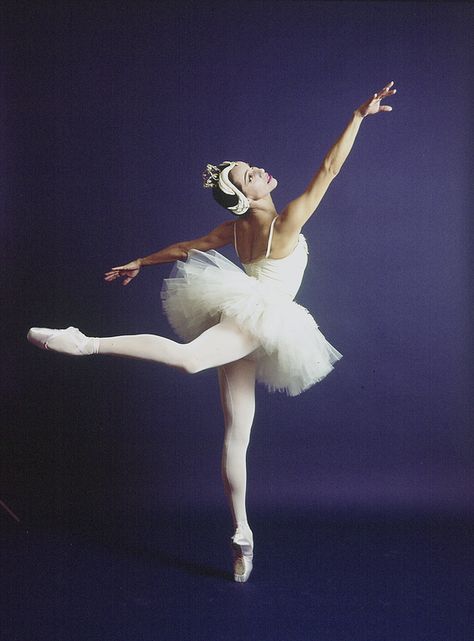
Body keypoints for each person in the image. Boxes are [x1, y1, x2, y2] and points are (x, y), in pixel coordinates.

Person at [27, 81, 396, 582]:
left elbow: (186, 247)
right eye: (251, 175)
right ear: (246, 195)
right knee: (190, 359)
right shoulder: (278, 225)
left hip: (256, 320)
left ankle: (241, 533)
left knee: (236, 434)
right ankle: (83, 340)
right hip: (253, 315)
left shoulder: (252, 227)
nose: (260, 171)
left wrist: (141, 259)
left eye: (253, 169)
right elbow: (328, 170)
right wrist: (358, 115)